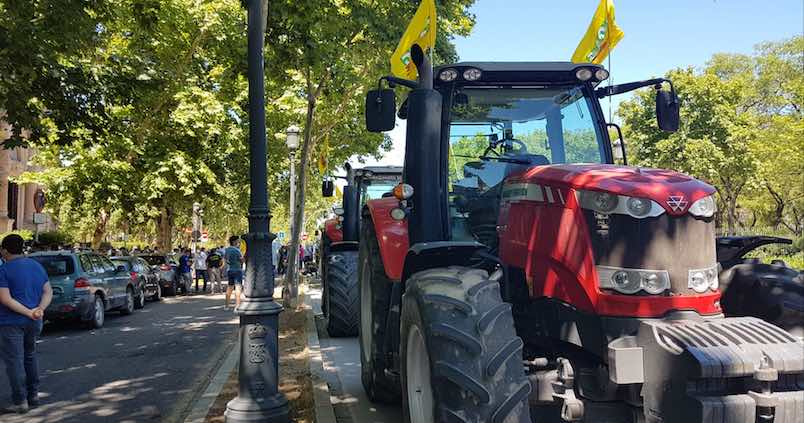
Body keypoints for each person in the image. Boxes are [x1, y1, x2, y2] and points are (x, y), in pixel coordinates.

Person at [0, 234, 51, 414]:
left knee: (14, 361)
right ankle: (33, 395)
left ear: (5, 250)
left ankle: (20, 400)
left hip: (10, 322)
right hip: (34, 321)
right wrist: (39, 310)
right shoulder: (36, 266)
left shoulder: (3, 270)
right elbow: (47, 291)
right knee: (30, 356)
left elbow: (5, 299)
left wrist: (28, 311)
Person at [224, 236, 244, 310]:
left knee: (229, 287)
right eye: (238, 241)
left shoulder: (227, 250)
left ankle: (226, 306)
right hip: (237, 270)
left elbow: (226, 259)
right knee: (238, 288)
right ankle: (238, 305)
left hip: (230, 270)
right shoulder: (237, 250)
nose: (239, 243)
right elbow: (241, 260)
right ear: (234, 242)